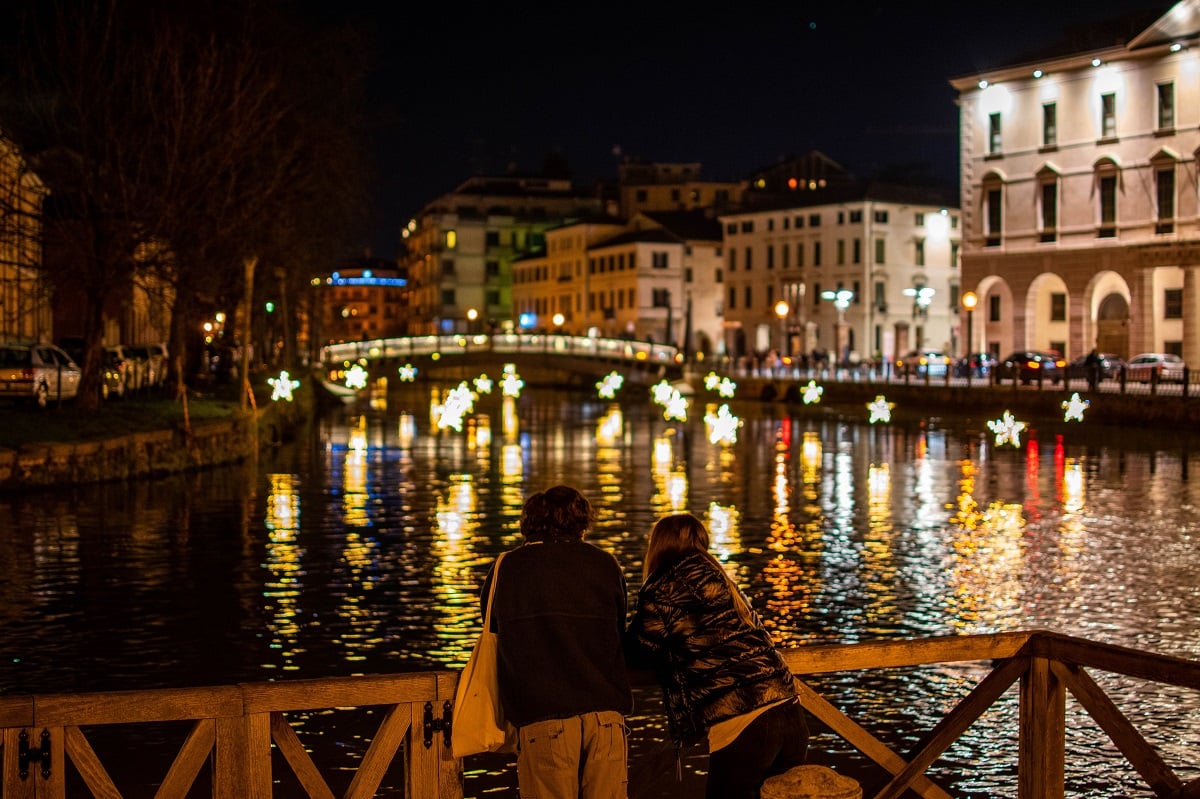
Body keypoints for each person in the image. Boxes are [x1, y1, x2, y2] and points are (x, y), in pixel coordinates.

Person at [626, 513, 809, 799]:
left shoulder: (660, 587)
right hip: (790, 709)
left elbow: (638, 652)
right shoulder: (723, 579)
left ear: (657, 545)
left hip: (745, 721)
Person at [482, 485, 633, 799]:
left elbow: (491, 627)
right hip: (605, 718)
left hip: (544, 718)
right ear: (582, 521)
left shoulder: (509, 567)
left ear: (533, 519)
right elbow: (618, 628)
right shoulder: (605, 564)